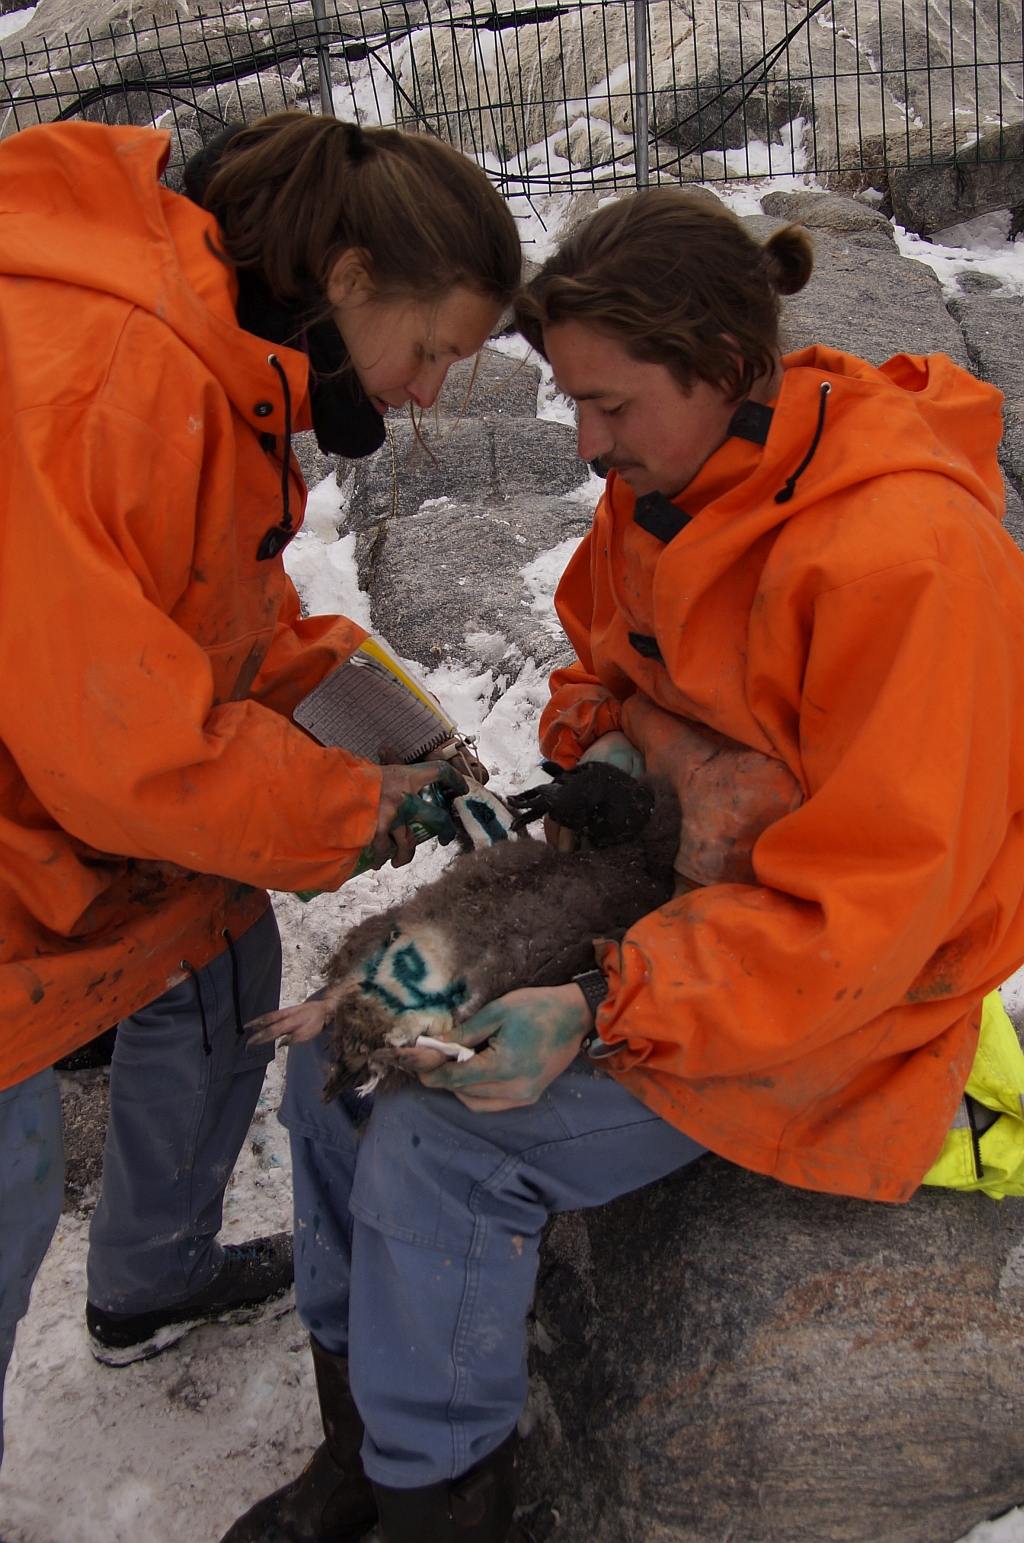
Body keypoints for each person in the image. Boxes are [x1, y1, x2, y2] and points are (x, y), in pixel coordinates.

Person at [224, 188, 1024, 1543]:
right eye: (573, 404)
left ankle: (437, 1504)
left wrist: (603, 1004)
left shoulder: (907, 563)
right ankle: (358, 1450)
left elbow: (872, 915)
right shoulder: (665, 486)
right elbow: (597, 666)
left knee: (443, 1141)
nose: (586, 446)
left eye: (609, 406)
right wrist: (607, 752)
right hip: (665, 901)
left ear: (725, 365)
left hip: (832, 1000)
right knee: (338, 1060)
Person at [0, 108, 521, 1439]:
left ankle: (151, 1279)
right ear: (348, 277)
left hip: (54, 780)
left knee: (218, 943)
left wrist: (381, 723)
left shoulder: (208, 352)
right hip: (34, 820)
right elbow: (126, 752)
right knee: (8, 1179)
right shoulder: (119, 373)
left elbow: (204, 621)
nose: (426, 394)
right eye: (432, 350)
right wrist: (350, 808)